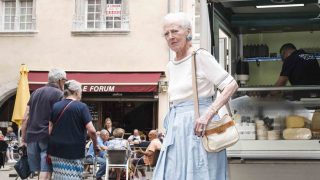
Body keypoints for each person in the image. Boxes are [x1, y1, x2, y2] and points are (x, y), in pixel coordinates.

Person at [152, 13, 238, 180]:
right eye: (166, 33)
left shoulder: (199, 56)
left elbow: (231, 84)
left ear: (188, 31)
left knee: (201, 173)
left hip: (200, 125)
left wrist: (207, 115)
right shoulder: (170, 65)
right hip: (176, 128)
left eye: (175, 31)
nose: (170, 37)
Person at [21, 68, 67, 180]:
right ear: (60, 80)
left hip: (31, 136)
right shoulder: (59, 94)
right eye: (64, 81)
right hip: (47, 136)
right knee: (46, 170)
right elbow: (60, 119)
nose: (65, 84)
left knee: (39, 171)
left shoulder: (35, 92)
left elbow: (25, 118)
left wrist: (23, 139)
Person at [47, 80, 98, 180]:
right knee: (73, 176)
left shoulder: (55, 106)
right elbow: (92, 131)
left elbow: (49, 129)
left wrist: (48, 146)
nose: (81, 94)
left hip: (55, 148)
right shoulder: (82, 107)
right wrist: (95, 145)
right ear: (76, 92)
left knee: (58, 176)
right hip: (74, 150)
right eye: (81, 92)